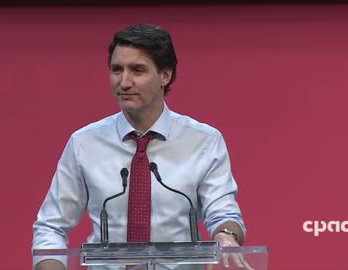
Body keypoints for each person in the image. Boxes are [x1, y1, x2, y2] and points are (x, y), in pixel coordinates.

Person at [33, 24, 250, 270]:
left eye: (137, 70)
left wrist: (225, 236)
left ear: (164, 75)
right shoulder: (84, 143)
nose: (124, 82)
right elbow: (51, 225)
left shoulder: (203, 141)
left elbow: (224, 214)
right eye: (117, 70)